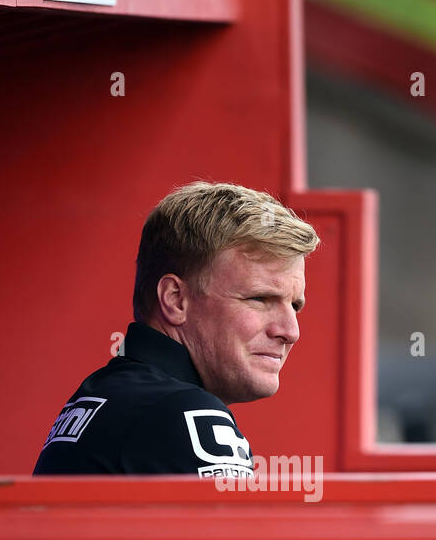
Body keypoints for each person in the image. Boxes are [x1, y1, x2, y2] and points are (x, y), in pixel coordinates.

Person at [33, 181, 320, 477]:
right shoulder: (183, 412)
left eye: (295, 305)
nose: (290, 331)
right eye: (259, 299)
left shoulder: (105, 396)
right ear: (175, 300)